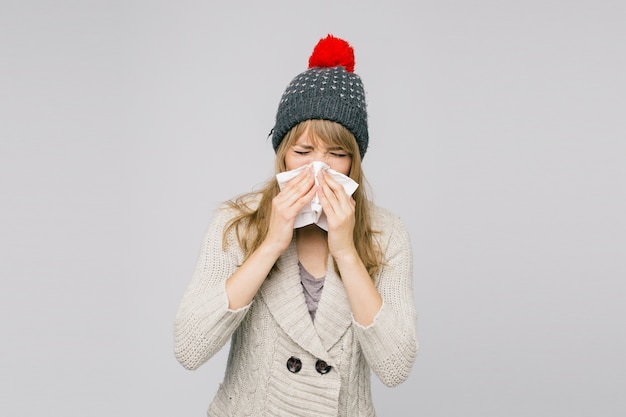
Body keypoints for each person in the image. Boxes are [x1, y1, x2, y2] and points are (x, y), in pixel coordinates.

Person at [174, 34, 418, 417]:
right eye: (303, 152)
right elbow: (189, 347)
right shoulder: (236, 223)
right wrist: (271, 242)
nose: (317, 168)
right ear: (283, 154)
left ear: (355, 161)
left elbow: (395, 367)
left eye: (336, 154)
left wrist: (347, 252)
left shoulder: (388, 235)